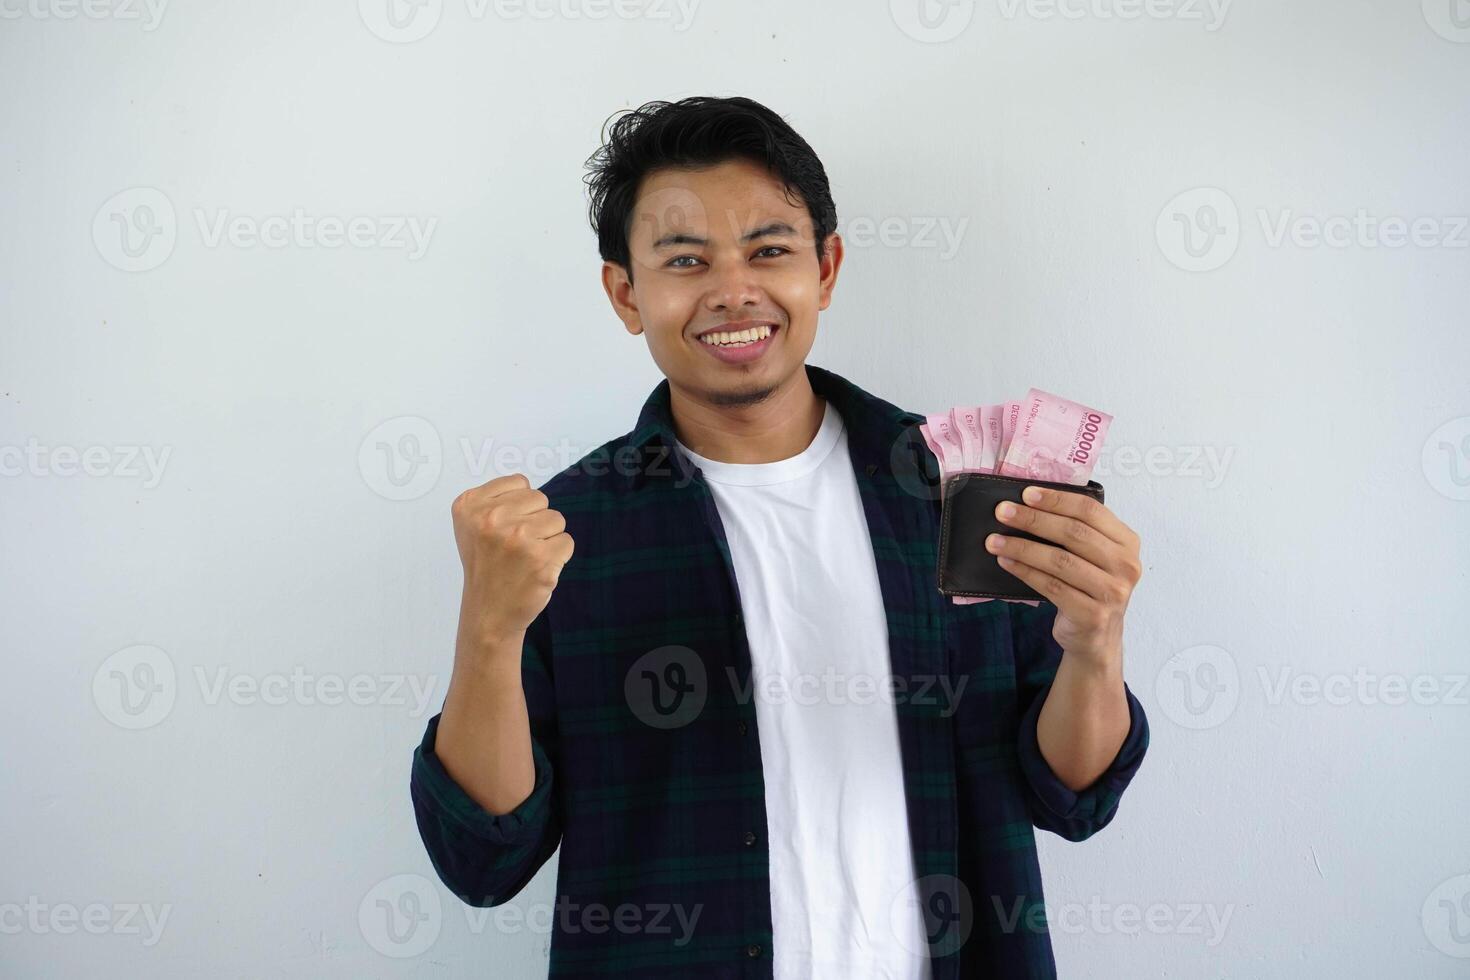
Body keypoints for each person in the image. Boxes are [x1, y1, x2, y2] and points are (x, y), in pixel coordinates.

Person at [410, 95, 1150, 979]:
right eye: (685, 260)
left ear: (826, 269)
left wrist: (1094, 645)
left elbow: (1068, 794)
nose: (734, 291)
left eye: (769, 250)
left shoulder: (957, 492)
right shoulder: (563, 536)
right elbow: (483, 860)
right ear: (626, 293)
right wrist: (487, 631)